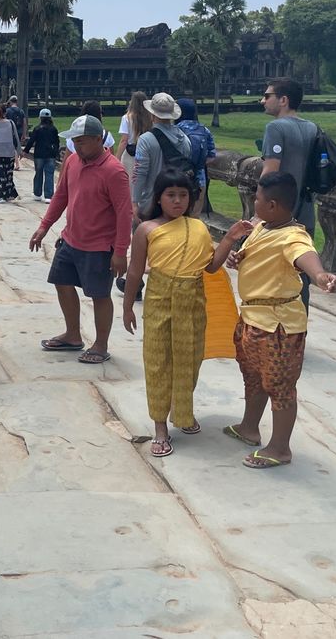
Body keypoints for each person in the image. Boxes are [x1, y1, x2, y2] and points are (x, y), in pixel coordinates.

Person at [122, 169, 251, 457]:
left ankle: (183, 413)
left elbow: (211, 267)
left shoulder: (198, 228)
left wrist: (230, 238)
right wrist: (128, 305)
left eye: (183, 195)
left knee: (190, 360)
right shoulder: (146, 229)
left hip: (193, 301)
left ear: (191, 199)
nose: (177, 201)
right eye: (171, 195)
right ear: (159, 198)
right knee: (158, 362)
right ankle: (160, 428)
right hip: (159, 299)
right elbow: (134, 271)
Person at [224, 172, 336, 469]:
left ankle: (280, 447)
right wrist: (238, 257)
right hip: (252, 317)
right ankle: (249, 427)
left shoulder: (292, 236)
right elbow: (254, 255)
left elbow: (306, 256)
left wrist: (320, 275)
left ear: (273, 205)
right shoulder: (262, 226)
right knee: (254, 378)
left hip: (278, 326)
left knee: (280, 387)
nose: (253, 202)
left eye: (258, 199)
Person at [31, 115, 132, 364]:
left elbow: (124, 213)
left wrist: (120, 252)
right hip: (70, 239)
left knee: (99, 295)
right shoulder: (73, 161)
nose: (77, 146)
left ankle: (100, 344)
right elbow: (61, 196)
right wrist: (44, 227)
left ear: (99, 139)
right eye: (74, 141)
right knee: (61, 282)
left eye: (83, 142)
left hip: (99, 246)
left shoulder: (113, 170)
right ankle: (73, 334)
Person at [259, 77, 318, 235]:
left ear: (283, 100)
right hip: (306, 213)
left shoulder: (275, 127)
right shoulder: (312, 127)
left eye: (267, 96)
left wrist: (259, 209)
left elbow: (270, 171)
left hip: (278, 214)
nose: (262, 101)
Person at [132, 93, 191, 220]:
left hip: (151, 201)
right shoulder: (184, 139)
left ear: (152, 114)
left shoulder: (146, 139)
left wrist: (134, 201)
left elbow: (139, 172)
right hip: (177, 203)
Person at [176, 98, 217, 211]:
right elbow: (212, 156)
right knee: (196, 211)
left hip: (179, 174)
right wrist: (198, 165)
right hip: (200, 177)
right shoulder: (204, 130)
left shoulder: (176, 129)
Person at [23, 108, 60, 202]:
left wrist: (25, 151)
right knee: (49, 174)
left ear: (40, 117)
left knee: (38, 173)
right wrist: (56, 152)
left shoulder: (37, 129)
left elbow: (31, 141)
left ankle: (37, 193)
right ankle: (48, 196)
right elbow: (57, 142)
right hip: (50, 154)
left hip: (39, 154)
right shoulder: (53, 129)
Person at [6, 95, 26, 169]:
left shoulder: (8, 111)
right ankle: (15, 160)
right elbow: (24, 123)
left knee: (13, 147)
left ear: (10, 102)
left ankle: (16, 164)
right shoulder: (21, 111)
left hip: (10, 131)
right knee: (16, 146)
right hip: (19, 131)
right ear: (17, 102)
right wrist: (24, 133)